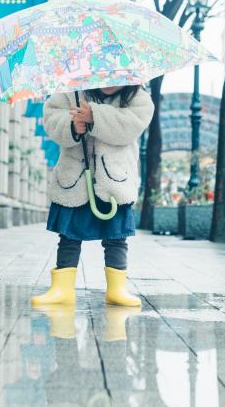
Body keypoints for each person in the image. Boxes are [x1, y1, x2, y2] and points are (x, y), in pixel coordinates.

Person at [31, 85, 154, 307]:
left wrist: (94, 116)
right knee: (68, 236)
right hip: (75, 177)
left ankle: (117, 288)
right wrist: (72, 126)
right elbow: (50, 118)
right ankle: (62, 288)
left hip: (113, 180)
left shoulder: (137, 98)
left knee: (116, 238)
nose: (110, 83)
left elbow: (131, 125)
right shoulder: (71, 91)